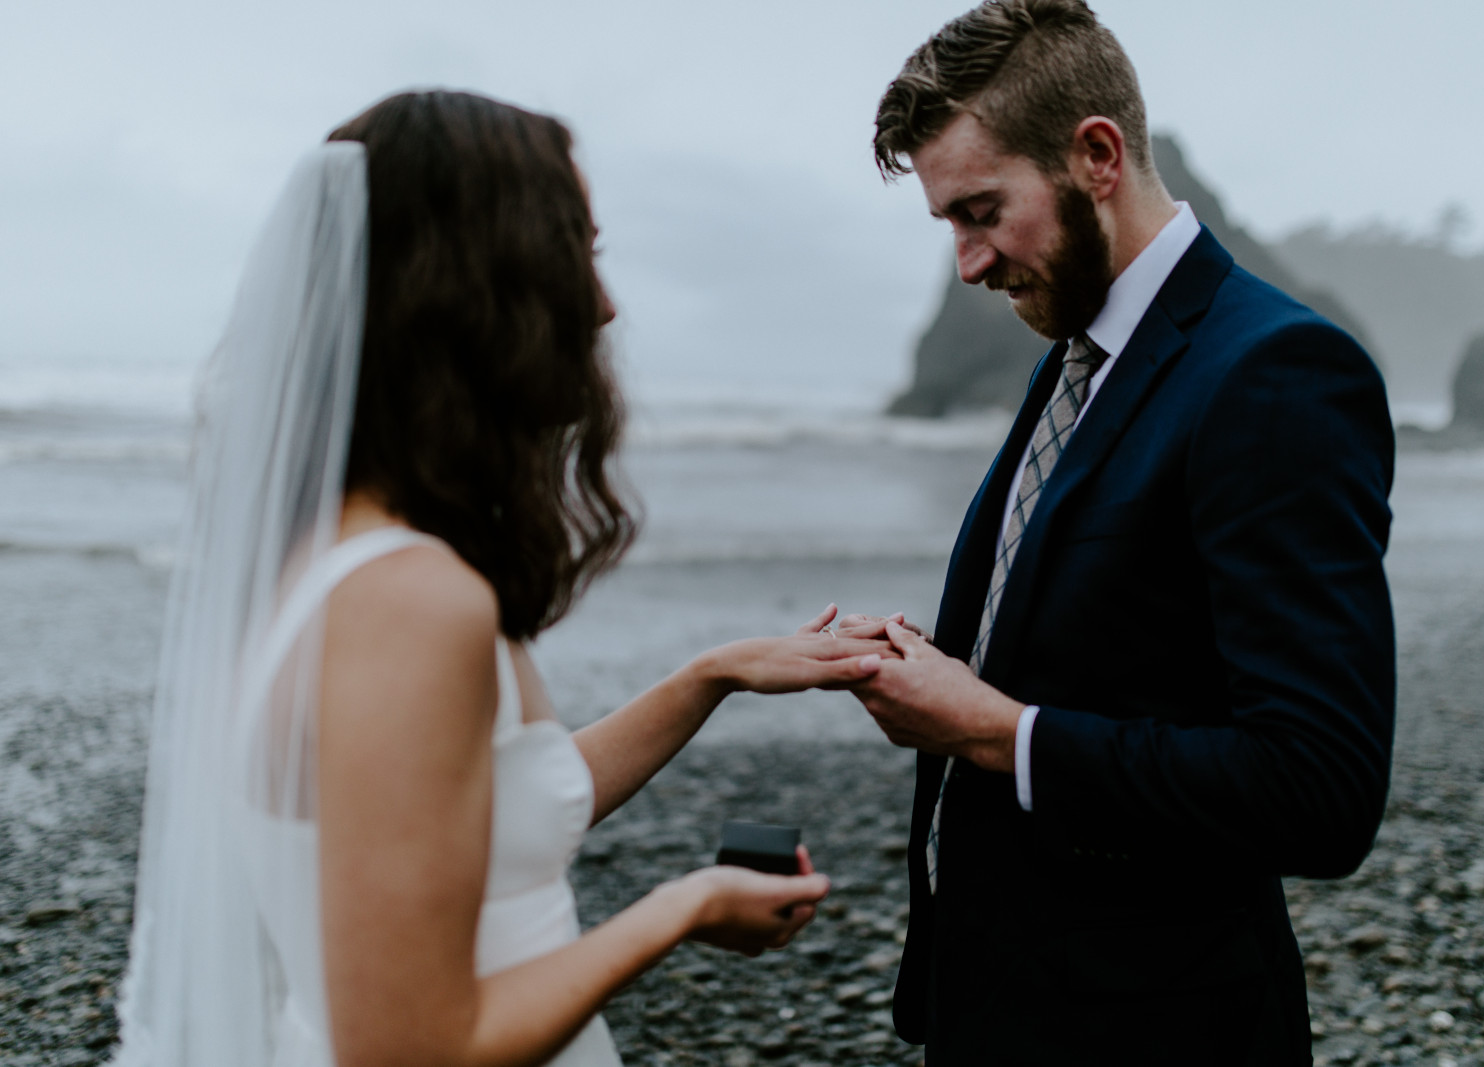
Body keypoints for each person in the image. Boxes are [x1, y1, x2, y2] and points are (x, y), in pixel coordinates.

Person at [112, 90, 890, 1067]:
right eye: (577, 252)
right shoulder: (408, 599)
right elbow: (413, 1045)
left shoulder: (323, 559)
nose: (603, 303)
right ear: (479, 288)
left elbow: (491, 806)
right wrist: (683, 905)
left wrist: (713, 673)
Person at [842, 1, 1396, 1062]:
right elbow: (1096, 643)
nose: (966, 260)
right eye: (947, 223)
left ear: (1095, 155)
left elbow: (1320, 787)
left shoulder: (1274, 373)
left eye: (981, 211)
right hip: (1002, 1004)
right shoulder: (1076, 350)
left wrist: (989, 728)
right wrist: (939, 670)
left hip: (1159, 1026)